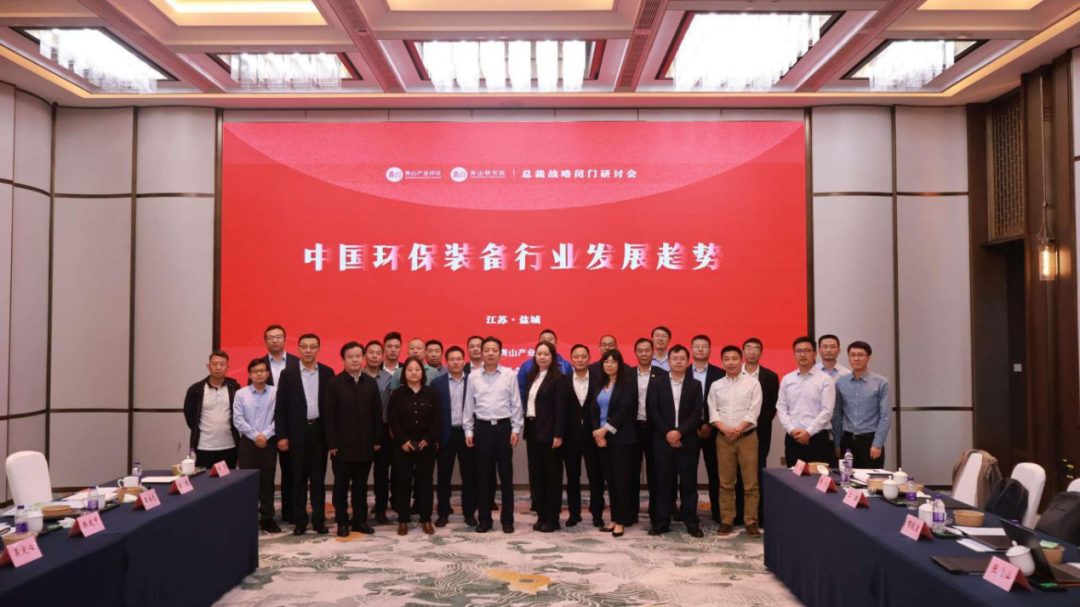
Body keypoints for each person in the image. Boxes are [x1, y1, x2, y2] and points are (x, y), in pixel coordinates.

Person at [275, 333, 335, 535]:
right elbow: (280, 407)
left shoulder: (327, 372)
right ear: (298, 349)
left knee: (318, 480)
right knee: (298, 479)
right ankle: (300, 521)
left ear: (319, 349)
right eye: (304, 346)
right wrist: (282, 435)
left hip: (319, 431)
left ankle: (319, 520)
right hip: (296, 433)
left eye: (312, 346)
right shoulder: (288, 373)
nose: (308, 350)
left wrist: (332, 438)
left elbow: (332, 407)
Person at [463, 336, 523, 534]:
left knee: (506, 476)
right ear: (481, 353)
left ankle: (507, 520)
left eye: (494, 350)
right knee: (483, 477)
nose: (490, 353)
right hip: (482, 429)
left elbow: (516, 403)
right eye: (486, 350)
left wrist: (516, 429)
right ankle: (485, 520)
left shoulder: (509, 374)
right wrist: (469, 430)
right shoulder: (473, 376)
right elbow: (469, 405)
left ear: (500, 353)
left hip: (503, 429)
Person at [324, 341, 383, 537]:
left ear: (363, 358)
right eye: (350, 357)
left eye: (358, 356)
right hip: (341, 447)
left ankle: (360, 521)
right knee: (341, 486)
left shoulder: (370, 383)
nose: (355, 360)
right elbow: (329, 415)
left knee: (361, 486)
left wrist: (377, 439)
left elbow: (377, 413)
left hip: (365, 445)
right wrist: (332, 442)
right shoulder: (334, 383)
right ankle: (342, 521)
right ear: (343, 359)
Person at [647, 345, 704, 537]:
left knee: (689, 485)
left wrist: (679, 432)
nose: (678, 362)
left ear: (688, 362)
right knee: (664, 484)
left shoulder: (695, 384)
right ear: (669, 361)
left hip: (687, 442)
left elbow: (697, 412)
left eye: (682, 358)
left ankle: (691, 522)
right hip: (663, 442)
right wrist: (669, 434)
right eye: (674, 358)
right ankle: (662, 522)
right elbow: (653, 410)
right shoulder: (657, 383)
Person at [709, 345, 763, 538]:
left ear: (741, 360)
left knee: (750, 483)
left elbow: (754, 411)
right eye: (727, 359)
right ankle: (727, 520)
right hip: (723, 439)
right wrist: (725, 430)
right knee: (725, 483)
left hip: (747, 438)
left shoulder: (753, 383)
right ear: (722, 362)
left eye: (734, 358)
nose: (730, 362)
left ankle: (751, 521)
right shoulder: (716, 385)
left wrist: (738, 430)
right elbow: (713, 412)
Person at [388, 357, 441, 536]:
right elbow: (393, 420)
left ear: (422, 373)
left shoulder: (431, 393)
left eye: (417, 369)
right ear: (404, 373)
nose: (413, 372)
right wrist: (403, 440)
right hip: (403, 444)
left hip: (426, 443)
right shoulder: (397, 394)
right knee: (403, 482)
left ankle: (426, 519)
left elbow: (437, 418)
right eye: (409, 369)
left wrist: (429, 439)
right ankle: (403, 519)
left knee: (425, 483)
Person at [591, 349, 636, 537]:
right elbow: (594, 410)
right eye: (606, 361)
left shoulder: (627, 384)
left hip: (621, 437)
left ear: (620, 364)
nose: (609, 364)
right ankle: (614, 518)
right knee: (610, 480)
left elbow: (625, 410)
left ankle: (621, 521)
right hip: (602, 439)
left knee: (621, 481)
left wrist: (605, 430)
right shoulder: (600, 384)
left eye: (613, 361)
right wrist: (598, 434)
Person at [523, 342, 567, 532]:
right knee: (537, 476)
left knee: (552, 477)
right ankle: (541, 515)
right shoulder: (532, 376)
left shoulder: (558, 378)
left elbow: (561, 409)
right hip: (533, 430)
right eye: (539, 353)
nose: (542, 357)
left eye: (546, 354)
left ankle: (552, 518)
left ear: (553, 357)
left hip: (551, 434)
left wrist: (559, 434)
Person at [432, 346, 478, 527]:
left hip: (467, 434)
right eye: (452, 359)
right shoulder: (437, 383)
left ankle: (469, 513)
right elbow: (434, 412)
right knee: (444, 477)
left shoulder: (473, 380)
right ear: (447, 361)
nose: (456, 362)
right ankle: (443, 512)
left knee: (470, 476)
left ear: (464, 360)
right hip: (446, 435)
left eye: (459, 359)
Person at [233, 358, 280, 533]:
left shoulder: (275, 392)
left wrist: (265, 435)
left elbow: (279, 416)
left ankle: (267, 518)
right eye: (255, 371)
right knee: (248, 480)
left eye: (262, 370)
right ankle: (249, 517)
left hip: (269, 441)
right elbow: (238, 419)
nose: (259, 374)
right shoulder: (241, 394)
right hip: (248, 441)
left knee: (267, 480)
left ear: (268, 373)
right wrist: (255, 436)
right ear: (249, 374)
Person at [737, 337, 780, 528]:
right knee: (737, 473)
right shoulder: (733, 373)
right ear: (743, 352)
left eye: (756, 348)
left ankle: (758, 514)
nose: (752, 351)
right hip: (735, 432)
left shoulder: (770, 377)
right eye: (748, 348)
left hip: (760, 432)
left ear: (761, 353)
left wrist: (754, 424)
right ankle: (739, 513)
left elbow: (772, 406)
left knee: (757, 472)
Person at [776, 336, 836, 467]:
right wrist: (791, 430)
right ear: (794, 355)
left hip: (818, 438)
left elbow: (827, 411)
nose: (802, 354)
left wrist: (809, 432)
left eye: (807, 351)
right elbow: (781, 407)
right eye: (799, 351)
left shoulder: (825, 379)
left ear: (815, 354)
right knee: (793, 477)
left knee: (818, 478)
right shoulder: (787, 379)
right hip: (793, 438)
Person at [831, 341, 891, 469]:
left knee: (871, 479)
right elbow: (837, 415)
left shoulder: (881, 382)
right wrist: (837, 443)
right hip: (847, 441)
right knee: (847, 478)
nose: (856, 358)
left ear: (868, 357)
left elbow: (885, 417)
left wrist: (877, 444)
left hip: (870, 441)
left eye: (860, 355)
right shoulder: (840, 383)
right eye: (852, 355)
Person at [260, 324, 298, 523]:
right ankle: (266, 514)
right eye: (270, 337)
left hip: (289, 426)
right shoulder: (258, 365)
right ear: (265, 341)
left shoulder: (296, 363)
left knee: (290, 470)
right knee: (266, 472)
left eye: (278, 336)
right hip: (264, 427)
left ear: (285, 339)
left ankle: (289, 511)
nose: (275, 340)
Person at [630, 337, 667, 525]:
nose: (644, 354)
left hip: (655, 430)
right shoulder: (627, 374)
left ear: (653, 352)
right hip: (632, 429)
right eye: (640, 350)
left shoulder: (662, 374)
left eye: (647, 350)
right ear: (635, 353)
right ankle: (631, 514)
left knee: (655, 474)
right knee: (631, 473)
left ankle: (656, 515)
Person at [183, 350, 241, 469]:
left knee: (229, 479)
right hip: (203, 447)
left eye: (222, 364)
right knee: (204, 479)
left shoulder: (234, 387)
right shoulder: (196, 389)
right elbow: (190, 417)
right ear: (208, 366)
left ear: (228, 367)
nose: (218, 367)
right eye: (214, 364)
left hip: (230, 446)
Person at [690, 335, 725, 523]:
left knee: (715, 472)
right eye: (697, 346)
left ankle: (718, 511)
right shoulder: (682, 372)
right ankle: (689, 512)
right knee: (688, 472)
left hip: (714, 429)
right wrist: (693, 425)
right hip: (689, 431)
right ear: (691, 350)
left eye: (704, 346)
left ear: (710, 351)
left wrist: (710, 424)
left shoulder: (720, 374)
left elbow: (723, 403)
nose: (700, 349)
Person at [560, 344, 595, 527]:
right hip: (570, 436)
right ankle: (574, 514)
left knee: (595, 476)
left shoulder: (598, 379)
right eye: (576, 356)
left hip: (593, 435)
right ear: (571, 359)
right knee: (573, 477)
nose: (580, 360)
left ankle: (597, 513)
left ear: (589, 358)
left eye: (583, 356)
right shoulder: (563, 380)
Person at [364, 340, 394, 525]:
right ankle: (360, 509)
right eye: (371, 352)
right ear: (365, 355)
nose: (374, 356)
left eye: (378, 353)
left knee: (382, 472)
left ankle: (381, 508)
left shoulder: (389, 378)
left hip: (382, 429)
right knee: (361, 471)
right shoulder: (357, 376)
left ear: (382, 356)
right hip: (361, 430)